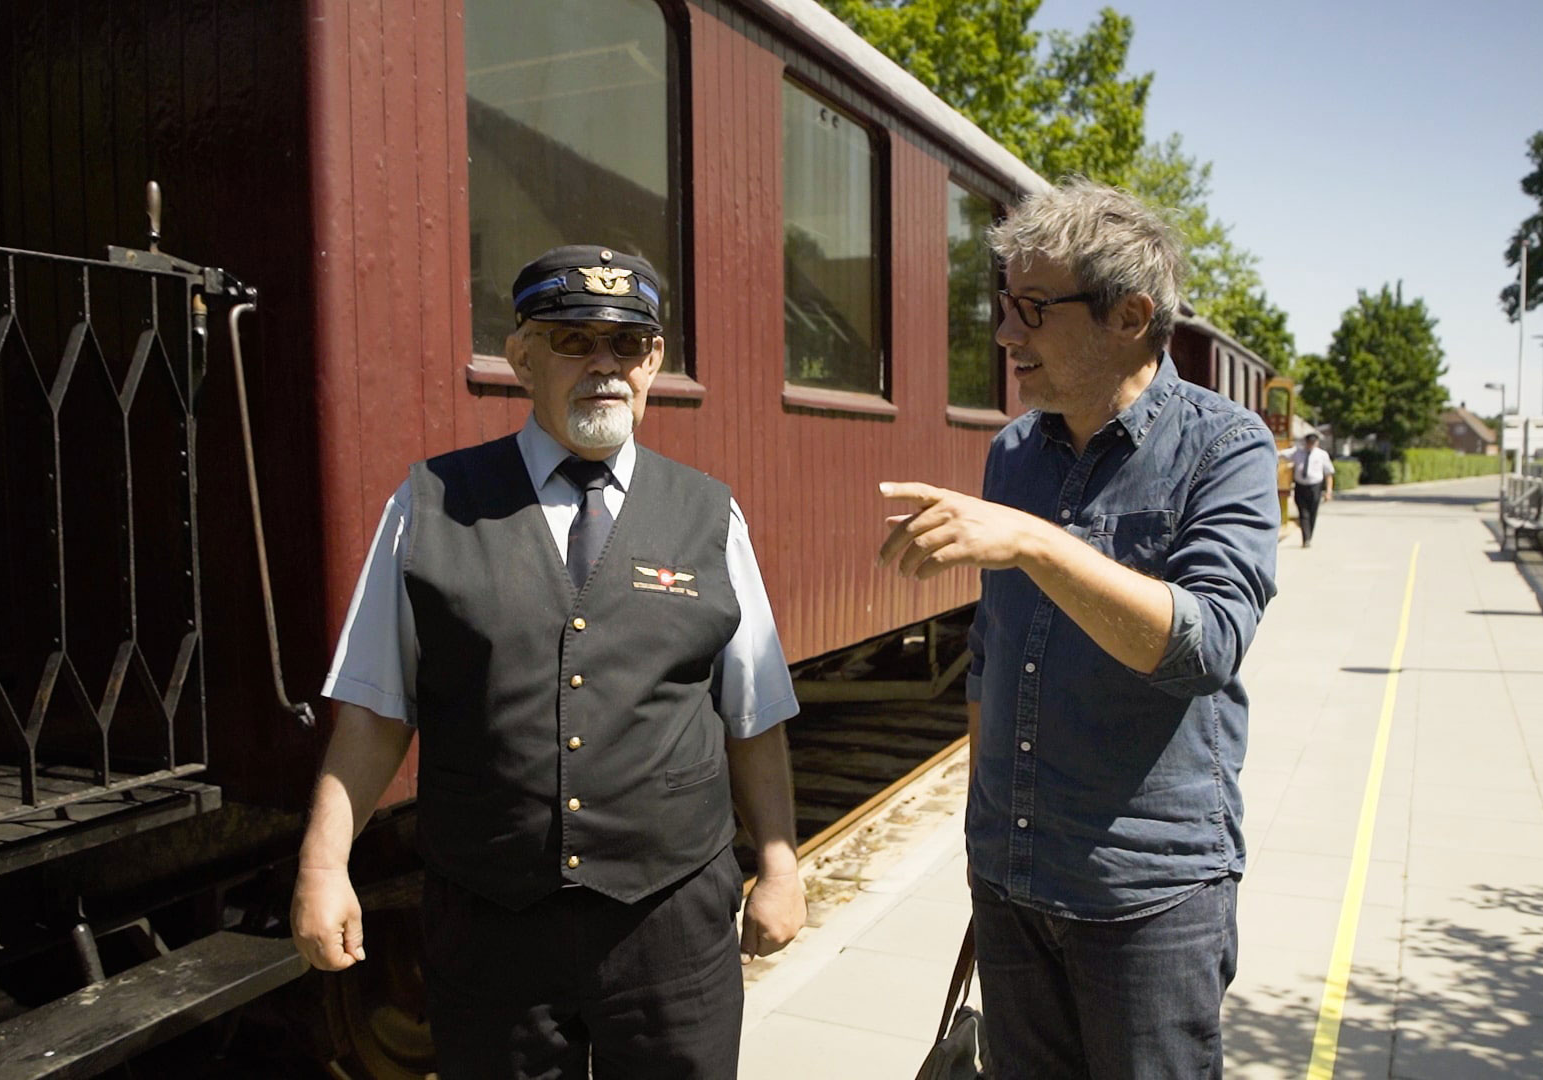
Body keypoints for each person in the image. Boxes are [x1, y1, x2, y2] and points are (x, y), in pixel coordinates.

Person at [290, 245, 806, 1080]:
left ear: (654, 363)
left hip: (669, 922)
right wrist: (322, 867)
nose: (604, 366)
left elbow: (753, 711)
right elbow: (374, 709)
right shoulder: (429, 504)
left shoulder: (709, 513)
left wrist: (780, 862)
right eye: (574, 341)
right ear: (522, 355)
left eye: (626, 345)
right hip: (491, 927)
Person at [877, 179, 1278, 1079]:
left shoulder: (1227, 447)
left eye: (1029, 308)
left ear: (1128, 315)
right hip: (1013, 880)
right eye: (1001, 304)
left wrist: (1032, 541)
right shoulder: (1015, 450)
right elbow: (992, 655)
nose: (1004, 333)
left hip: (1147, 899)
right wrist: (986, 842)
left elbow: (1205, 644)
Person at [1287, 431, 1336, 546]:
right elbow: (1282, 454)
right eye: (1309, 443)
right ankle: (1306, 538)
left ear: (1317, 443)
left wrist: (1329, 491)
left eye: (1313, 443)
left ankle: (1309, 535)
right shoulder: (1297, 452)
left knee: (1312, 512)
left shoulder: (1322, 455)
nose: (1310, 445)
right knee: (1303, 513)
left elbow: (1328, 473)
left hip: (1315, 486)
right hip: (1300, 485)